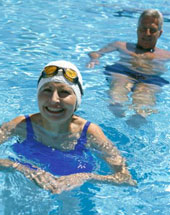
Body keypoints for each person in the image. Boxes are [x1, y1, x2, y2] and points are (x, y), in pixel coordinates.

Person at [0, 60, 136, 194]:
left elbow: (126, 178)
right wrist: (21, 168)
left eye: (64, 92)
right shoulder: (20, 124)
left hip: (72, 194)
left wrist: (85, 177)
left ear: (77, 99)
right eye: (47, 90)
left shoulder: (89, 132)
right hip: (22, 187)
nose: (53, 100)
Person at [87, 9, 170, 121]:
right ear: (137, 30)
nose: (147, 33)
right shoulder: (121, 46)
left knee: (145, 94)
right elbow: (96, 53)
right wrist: (94, 59)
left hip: (149, 80)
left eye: (152, 30)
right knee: (120, 82)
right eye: (143, 29)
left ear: (160, 33)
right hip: (123, 72)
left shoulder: (166, 55)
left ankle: (139, 117)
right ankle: (117, 105)